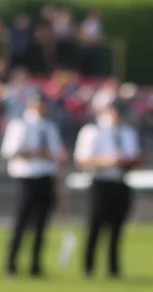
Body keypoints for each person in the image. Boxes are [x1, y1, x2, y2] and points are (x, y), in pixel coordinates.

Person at [73, 100, 144, 278]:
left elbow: (134, 156)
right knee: (95, 227)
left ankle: (113, 269)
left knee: (117, 228)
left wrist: (131, 161)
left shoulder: (128, 133)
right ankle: (88, 267)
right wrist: (108, 161)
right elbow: (82, 160)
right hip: (100, 181)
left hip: (120, 181)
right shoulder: (93, 131)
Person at [2, 89, 66, 278]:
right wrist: (37, 153)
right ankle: (11, 264)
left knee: (41, 224)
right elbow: (10, 151)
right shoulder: (20, 125)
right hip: (27, 178)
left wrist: (56, 181)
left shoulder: (49, 127)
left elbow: (56, 155)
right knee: (21, 222)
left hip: (45, 177)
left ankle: (35, 265)